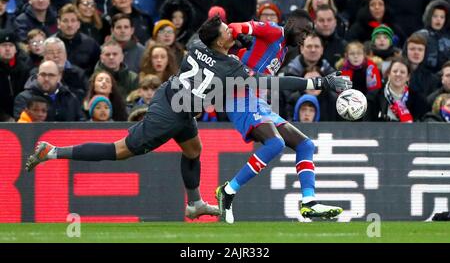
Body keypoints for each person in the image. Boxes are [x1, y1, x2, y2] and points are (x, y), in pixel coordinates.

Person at [25, 16, 349, 221]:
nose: (231, 31)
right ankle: (53, 151)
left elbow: (216, 31)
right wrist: (318, 82)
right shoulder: (231, 69)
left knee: (193, 150)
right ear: (220, 41)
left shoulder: (196, 42)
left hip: (180, 102)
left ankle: (194, 204)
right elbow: (270, 83)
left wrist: (236, 37)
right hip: (169, 112)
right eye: (227, 32)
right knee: (120, 149)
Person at [215, 17, 351, 223]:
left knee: (305, 144)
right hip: (237, 97)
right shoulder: (272, 31)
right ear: (292, 24)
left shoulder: (283, 51)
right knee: (276, 143)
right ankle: (228, 190)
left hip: (255, 100)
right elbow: (234, 27)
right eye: (303, 32)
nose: (303, 39)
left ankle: (309, 202)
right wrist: (239, 36)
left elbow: (268, 78)